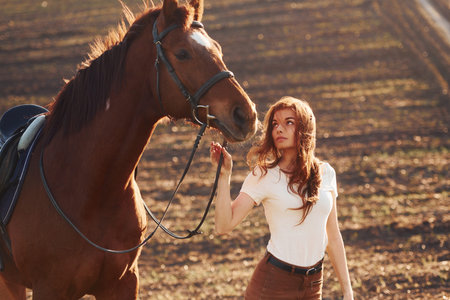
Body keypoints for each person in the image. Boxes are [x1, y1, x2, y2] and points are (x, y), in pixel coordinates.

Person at [210, 96, 354, 299]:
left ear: (305, 128)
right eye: (275, 124)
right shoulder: (265, 175)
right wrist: (224, 175)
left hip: (313, 285)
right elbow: (224, 226)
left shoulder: (326, 173)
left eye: (289, 122)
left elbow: (333, 236)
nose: (279, 129)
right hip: (273, 283)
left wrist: (347, 290)